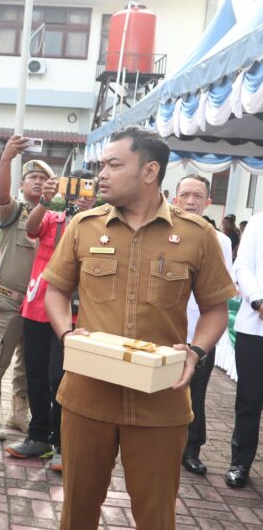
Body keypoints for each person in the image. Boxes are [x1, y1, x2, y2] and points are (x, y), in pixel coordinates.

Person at [43, 126, 235, 530]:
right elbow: (56, 291)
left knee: (156, 516)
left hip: (160, 402)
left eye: (114, 165)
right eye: (102, 165)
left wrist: (196, 351)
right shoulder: (85, 226)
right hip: (87, 396)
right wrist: (66, 334)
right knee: (77, 511)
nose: (102, 174)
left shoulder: (197, 236)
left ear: (150, 171)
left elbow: (216, 309)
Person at [6, 170, 96, 471]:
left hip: (72, 315)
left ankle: (61, 442)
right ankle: (38, 436)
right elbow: (31, 228)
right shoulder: (52, 220)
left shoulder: (99, 228)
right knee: (35, 375)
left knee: (61, 378)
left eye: (87, 191)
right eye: (74, 190)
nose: (79, 197)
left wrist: (89, 213)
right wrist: (45, 200)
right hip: (36, 307)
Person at [0, 143, 52, 440]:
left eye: (43, 178)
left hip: (40, 304)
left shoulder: (55, 217)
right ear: (21, 185)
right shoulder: (14, 212)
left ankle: (19, 412)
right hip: (10, 300)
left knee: (29, 364)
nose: (38, 181)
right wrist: (6, 159)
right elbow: (0, 194)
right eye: (32, 177)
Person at [172, 174, 233, 476]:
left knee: (195, 393)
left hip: (200, 333)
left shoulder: (220, 241)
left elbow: (222, 291)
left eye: (198, 196)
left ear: (208, 202)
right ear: (175, 199)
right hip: (168, 330)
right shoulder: (164, 232)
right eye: (185, 195)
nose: (191, 201)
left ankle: (192, 448)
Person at [226, 211, 263, 488]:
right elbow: (243, 266)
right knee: (249, 399)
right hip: (255, 326)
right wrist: (257, 301)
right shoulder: (259, 222)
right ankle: (240, 463)